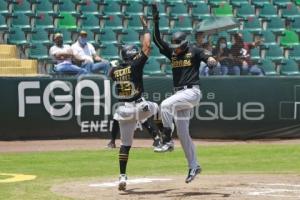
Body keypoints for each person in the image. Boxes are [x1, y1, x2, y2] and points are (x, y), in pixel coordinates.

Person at [151, 4, 217, 183]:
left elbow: (207, 57)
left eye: (178, 45)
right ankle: (194, 166)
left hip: (192, 92)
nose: (176, 48)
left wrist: (211, 61)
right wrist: (156, 21)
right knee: (183, 133)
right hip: (181, 97)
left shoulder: (193, 50)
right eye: (175, 46)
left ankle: (166, 140)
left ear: (185, 43)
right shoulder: (173, 53)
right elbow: (157, 40)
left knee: (165, 105)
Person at [110, 16, 159, 191]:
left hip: (123, 110)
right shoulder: (135, 65)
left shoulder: (115, 70)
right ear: (132, 55)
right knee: (163, 107)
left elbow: (113, 70)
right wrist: (146, 28)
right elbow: (147, 47)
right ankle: (161, 138)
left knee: (125, 145)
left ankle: (122, 176)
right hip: (138, 105)